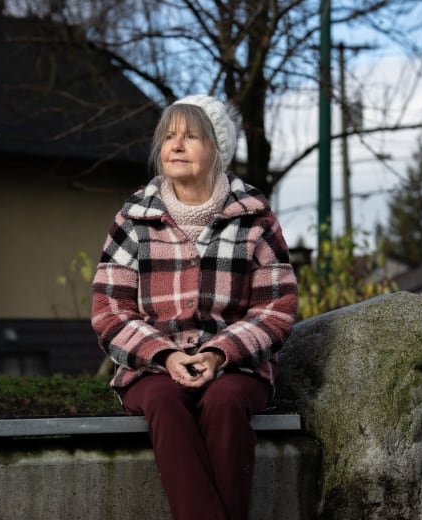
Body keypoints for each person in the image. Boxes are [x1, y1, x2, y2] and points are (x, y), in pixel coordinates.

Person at [90, 94, 298, 520]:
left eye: (190, 136)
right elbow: (109, 310)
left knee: (223, 402)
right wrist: (164, 356)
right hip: (151, 367)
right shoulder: (135, 218)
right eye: (168, 136)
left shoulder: (253, 217)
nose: (176, 145)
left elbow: (276, 308)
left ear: (218, 149)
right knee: (165, 400)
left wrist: (219, 353)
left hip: (236, 367)